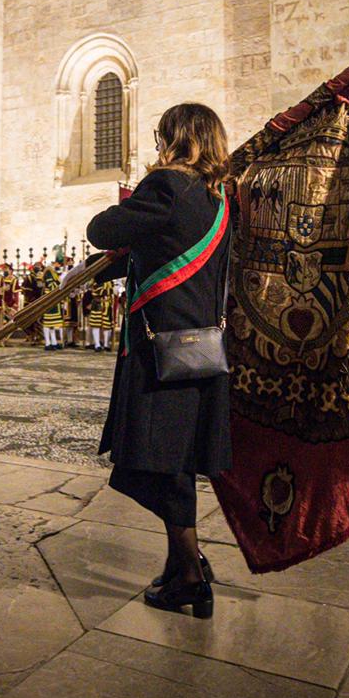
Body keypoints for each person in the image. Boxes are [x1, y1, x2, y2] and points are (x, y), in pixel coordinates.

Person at [87, 102, 232, 620]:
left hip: (160, 350)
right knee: (175, 464)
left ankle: (191, 572)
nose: (157, 145)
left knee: (152, 462)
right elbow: (165, 249)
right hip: (201, 351)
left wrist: (120, 211)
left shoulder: (169, 186)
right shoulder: (215, 198)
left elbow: (103, 229)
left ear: (176, 138)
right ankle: (180, 566)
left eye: (160, 135)